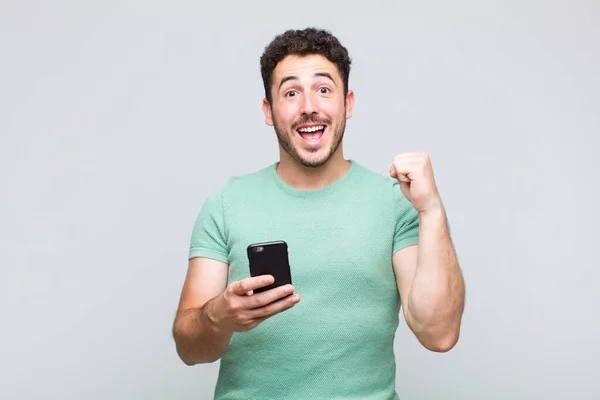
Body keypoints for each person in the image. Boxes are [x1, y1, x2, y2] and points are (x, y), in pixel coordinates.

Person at [172, 27, 465, 399]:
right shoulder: (226, 204)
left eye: (324, 89)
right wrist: (219, 316)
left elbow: (438, 334)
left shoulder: (395, 204)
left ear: (348, 104)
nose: (309, 106)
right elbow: (189, 349)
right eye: (291, 93)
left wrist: (432, 210)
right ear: (268, 111)